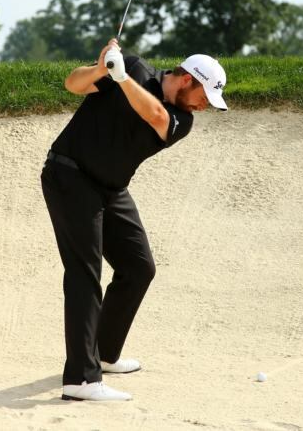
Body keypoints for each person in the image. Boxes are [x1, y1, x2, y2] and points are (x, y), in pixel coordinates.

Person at [41, 39, 228, 401]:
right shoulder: (134, 67)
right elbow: (72, 84)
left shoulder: (181, 120)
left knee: (139, 267)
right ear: (188, 79)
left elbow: (155, 115)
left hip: (110, 189)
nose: (205, 106)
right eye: (205, 95)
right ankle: (81, 379)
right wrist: (100, 70)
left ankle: (104, 353)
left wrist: (122, 78)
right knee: (84, 273)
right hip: (70, 175)